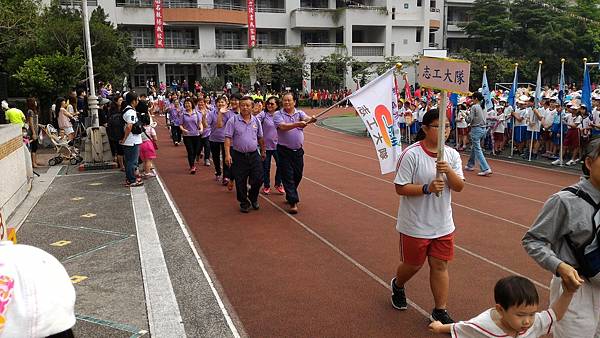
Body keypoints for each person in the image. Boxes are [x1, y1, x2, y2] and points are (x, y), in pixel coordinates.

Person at [390, 109, 464, 324]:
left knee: (440, 266)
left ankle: (440, 310)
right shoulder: (412, 154)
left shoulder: (452, 155)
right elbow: (400, 188)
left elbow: (459, 186)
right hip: (415, 223)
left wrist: (448, 170)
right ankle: (398, 284)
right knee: (413, 265)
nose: (445, 131)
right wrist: (426, 188)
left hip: (443, 224)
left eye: (448, 127)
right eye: (439, 127)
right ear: (424, 128)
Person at [522, 137, 600, 338]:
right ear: (589, 163)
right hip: (576, 291)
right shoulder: (565, 201)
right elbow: (533, 240)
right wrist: (559, 266)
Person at [428, 275, 575, 337]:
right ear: (500, 309)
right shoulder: (484, 325)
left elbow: (555, 314)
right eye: (520, 315)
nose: (527, 321)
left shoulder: (533, 323)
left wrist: (568, 293)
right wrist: (440, 327)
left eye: (532, 314)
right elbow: (462, 327)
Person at [273, 93, 316, 214]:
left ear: (294, 102)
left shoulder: (300, 113)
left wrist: (311, 119)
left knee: (298, 175)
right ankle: (293, 202)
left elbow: (306, 119)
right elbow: (282, 127)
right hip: (283, 151)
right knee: (287, 176)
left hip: (298, 151)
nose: (287, 103)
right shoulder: (278, 115)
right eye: (284, 100)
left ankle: (291, 192)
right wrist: (298, 124)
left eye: (289, 100)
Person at [224, 96, 266, 213]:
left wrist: (263, 151)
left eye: (248, 105)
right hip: (239, 155)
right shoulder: (233, 121)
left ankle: (253, 197)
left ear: (252, 107)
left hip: (254, 155)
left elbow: (260, 137)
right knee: (240, 181)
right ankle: (244, 202)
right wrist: (227, 154)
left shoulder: (256, 121)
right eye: (242, 105)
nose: (245, 107)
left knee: (259, 179)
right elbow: (227, 138)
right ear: (239, 106)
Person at [258, 96, 284, 195]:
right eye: (268, 103)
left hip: (279, 145)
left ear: (277, 105)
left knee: (281, 165)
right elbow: (254, 119)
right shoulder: (263, 114)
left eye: (272, 103)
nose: (269, 105)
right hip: (265, 146)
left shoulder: (280, 115)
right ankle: (266, 185)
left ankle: (278, 183)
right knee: (266, 167)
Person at [465, 92, 492, 176]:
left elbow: (470, 119)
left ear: (476, 98)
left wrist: (465, 115)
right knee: (475, 147)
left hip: (476, 129)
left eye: (472, 98)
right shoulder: (483, 106)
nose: (471, 100)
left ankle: (485, 168)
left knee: (477, 149)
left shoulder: (474, 106)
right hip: (483, 129)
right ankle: (470, 164)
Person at [120, 92, 144, 187]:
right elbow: (129, 126)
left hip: (129, 140)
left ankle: (130, 178)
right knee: (132, 161)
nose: (138, 102)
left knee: (130, 160)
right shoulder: (131, 112)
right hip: (131, 140)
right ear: (134, 101)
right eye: (137, 100)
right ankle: (131, 180)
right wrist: (124, 139)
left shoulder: (126, 109)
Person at [180, 98, 204, 174]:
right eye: (186, 103)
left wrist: (201, 129)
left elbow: (200, 123)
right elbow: (180, 124)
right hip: (187, 135)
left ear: (192, 104)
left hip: (196, 134)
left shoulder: (197, 113)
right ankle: (192, 166)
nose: (187, 105)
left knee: (196, 150)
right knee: (190, 151)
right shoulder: (182, 114)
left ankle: (193, 161)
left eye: (188, 103)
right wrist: (183, 130)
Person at [25, 97, 41, 168]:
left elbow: (35, 122)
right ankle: (33, 163)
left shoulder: (34, 111)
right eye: (35, 102)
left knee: (35, 147)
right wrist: (34, 133)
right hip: (32, 131)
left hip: (35, 130)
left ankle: (35, 161)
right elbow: (31, 123)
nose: (36, 103)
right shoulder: (30, 111)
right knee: (33, 147)